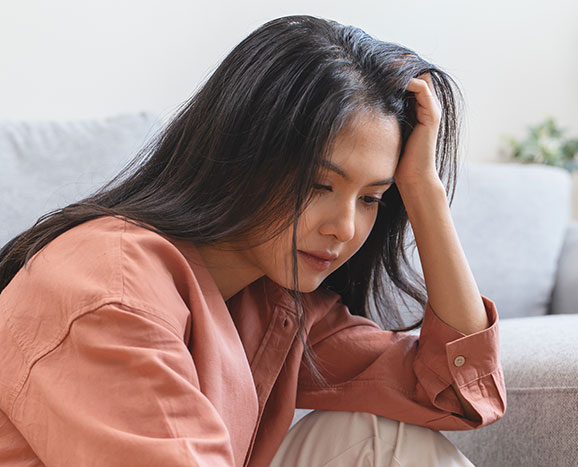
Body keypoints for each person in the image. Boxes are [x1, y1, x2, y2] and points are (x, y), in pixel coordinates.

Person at [0, 14, 506, 467]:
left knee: (379, 437)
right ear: (243, 156)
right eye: (318, 184)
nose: (344, 228)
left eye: (371, 198)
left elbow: (453, 393)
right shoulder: (112, 289)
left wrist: (425, 194)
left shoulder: (274, 302)